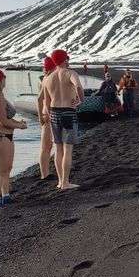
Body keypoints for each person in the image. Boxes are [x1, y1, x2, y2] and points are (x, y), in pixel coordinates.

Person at [42, 49, 84, 191]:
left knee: (58, 148)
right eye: (67, 58)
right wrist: (81, 100)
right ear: (64, 59)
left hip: (54, 112)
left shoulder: (48, 78)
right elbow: (78, 86)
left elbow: (46, 102)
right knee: (67, 149)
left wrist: (49, 115)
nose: (68, 60)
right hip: (68, 112)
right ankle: (65, 182)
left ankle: (60, 182)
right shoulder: (70, 73)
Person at [0, 66, 28, 208]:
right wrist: (19, 126)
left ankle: (5, 196)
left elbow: (7, 119)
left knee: (7, 168)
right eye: (4, 78)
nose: (5, 80)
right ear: (0, 80)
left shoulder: (0, 96)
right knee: (0, 170)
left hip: (6, 136)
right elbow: (3, 121)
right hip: (0, 137)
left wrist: (18, 123)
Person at [37, 57, 57, 181]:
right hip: (49, 115)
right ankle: (44, 174)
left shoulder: (45, 79)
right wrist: (41, 116)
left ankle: (45, 172)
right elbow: (40, 99)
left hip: (45, 114)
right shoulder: (50, 79)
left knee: (47, 146)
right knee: (47, 146)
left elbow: (39, 99)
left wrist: (40, 116)